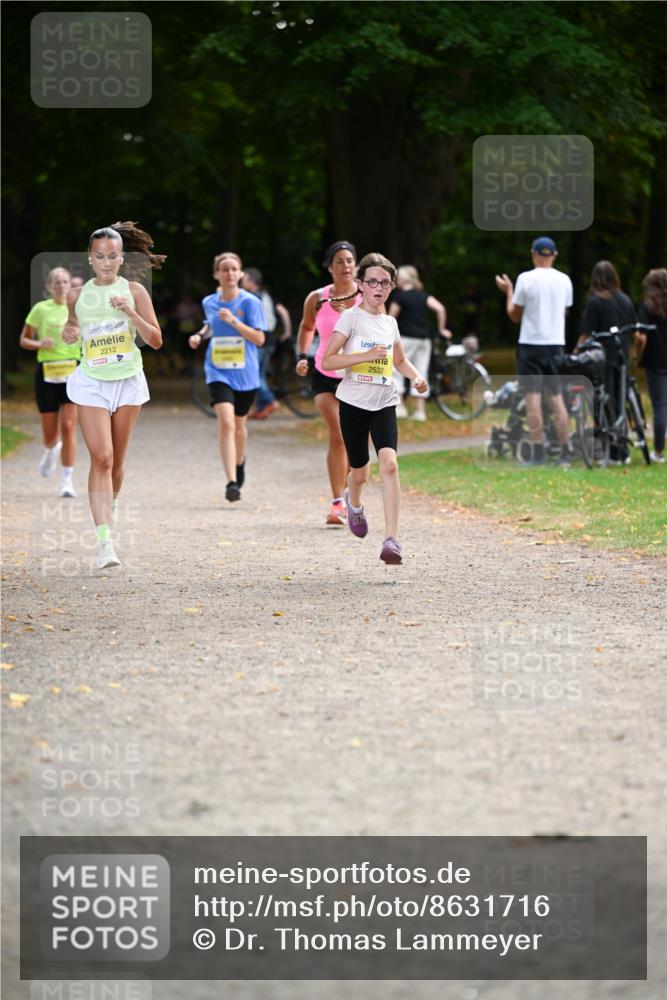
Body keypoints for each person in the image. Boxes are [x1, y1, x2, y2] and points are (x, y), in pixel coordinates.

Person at [62, 222, 165, 569]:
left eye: (113, 256)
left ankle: (111, 502)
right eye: (99, 256)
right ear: (90, 259)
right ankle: (104, 541)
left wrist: (130, 312)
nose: (106, 262)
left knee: (117, 464)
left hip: (127, 381)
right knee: (101, 458)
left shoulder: (135, 291)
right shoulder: (76, 296)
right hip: (91, 381)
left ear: (122, 258)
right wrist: (69, 329)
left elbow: (155, 340)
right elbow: (73, 327)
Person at [321, 252, 427, 565]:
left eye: (384, 282)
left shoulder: (390, 323)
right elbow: (329, 360)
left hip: (384, 401)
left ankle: (391, 540)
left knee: (390, 463)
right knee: (360, 472)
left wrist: (416, 377)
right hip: (353, 403)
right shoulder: (350, 318)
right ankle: (354, 504)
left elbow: (399, 360)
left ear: (392, 286)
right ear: (361, 285)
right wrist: (362, 359)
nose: (378, 287)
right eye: (372, 281)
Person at [188, 252, 266, 502]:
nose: (230, 273)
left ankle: (240, 463)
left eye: (234, 269)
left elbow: (259, 339)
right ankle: (232, 482)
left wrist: (234, 321)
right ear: (216, 274)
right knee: (227, 423)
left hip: (245, 373)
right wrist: (200, 335)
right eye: (225, 269)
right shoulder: (209, 302)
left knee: (240, 426)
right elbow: (209, 324)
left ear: (241, 274)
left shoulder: (250, 303)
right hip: (218, 370)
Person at [295, 240, 361, 526]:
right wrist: (301, 355)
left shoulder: (368, 295)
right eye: (340, 262)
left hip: (358, 375)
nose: (345, 266)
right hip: (324, 373)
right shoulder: (317, 298)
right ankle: (337, 503)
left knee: (351, 438)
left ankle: (348, 496)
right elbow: (307, 327)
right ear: (330, 267)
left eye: (350, 261)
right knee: (338, 432)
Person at [495, 236, 574, 467]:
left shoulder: (525, 279)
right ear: (554, 255)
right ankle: (565, 451)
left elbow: (514, 315)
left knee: (533, 399)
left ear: (533, 254)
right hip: (555, 344)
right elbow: (564, 312)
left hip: (531, 344)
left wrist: (508, 291)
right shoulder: (565, 280)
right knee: (556, 398)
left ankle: (538, 451)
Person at [19, 267, 80, 497]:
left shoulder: (77, 308)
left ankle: (67, 480)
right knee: (50, 434)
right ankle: (52, 448)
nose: (61, 285)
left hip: (72, 371)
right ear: (49, 286)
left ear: (69, 285)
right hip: (46, 372)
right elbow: (24, 340)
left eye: (65, 281)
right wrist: (38, 344)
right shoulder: (40, 309)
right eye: (57, 282)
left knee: (69, 426)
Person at [578, 260, 638, 463]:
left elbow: (586, 334)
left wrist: (576, 353)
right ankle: (621, 449)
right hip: (621, 357)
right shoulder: (625, 300)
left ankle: (607, 446)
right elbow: (634, 332)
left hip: (601, 359)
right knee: (619, 401)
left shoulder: (595, 302)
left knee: (602, 401)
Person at [388, 264, 451, 420]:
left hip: (405, 338)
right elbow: (441, 309)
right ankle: (420, 411)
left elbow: (390, 318)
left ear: (403, 279)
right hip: (424, 339)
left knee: (397, 368)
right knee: (420, 372)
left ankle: (400, 407)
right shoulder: (424, 296)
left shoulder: (399, 297)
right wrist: (442, 329)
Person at [241, 267, 292, 419]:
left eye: (244, 279)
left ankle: (270, 400)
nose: (241, 281)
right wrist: (287, 331)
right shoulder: (267, 295)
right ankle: (261, 409)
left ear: (251, 280)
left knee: (253, 374)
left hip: (258, 339)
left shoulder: (251, 297)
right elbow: (283, 311)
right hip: (270, 339)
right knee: (260, 373)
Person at [635, 268, 667, 463]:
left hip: (655, 361)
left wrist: (637, 354)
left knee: (660, 405)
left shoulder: (648, 306)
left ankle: (658, 450)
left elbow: (641, 336)